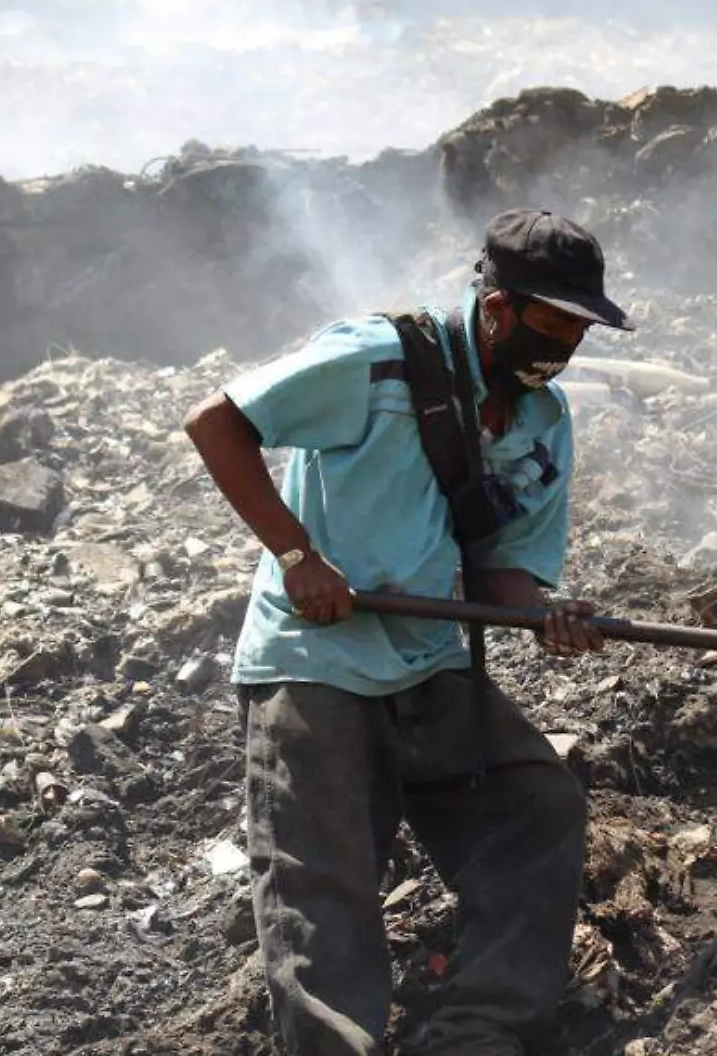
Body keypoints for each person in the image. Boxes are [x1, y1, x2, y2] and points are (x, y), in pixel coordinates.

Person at [183, 207, 637, 1056]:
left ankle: (482, 1031)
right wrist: (296, 554)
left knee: (537, 811)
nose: (565, 346)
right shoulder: (375, 360)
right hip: (318, 662)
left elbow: (503, 570)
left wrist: (549, 614)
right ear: (496, 309)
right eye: (551, 322)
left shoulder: (543, 422)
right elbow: (217, 422)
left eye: (580, 329)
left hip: (430, 662)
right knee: (323, 894)